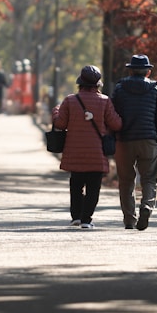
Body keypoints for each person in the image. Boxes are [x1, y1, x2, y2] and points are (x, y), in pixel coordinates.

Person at [51, 65, 122, 228]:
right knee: (93, 189)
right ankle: (86, 220)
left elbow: (60, 124)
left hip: (74, 153)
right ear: (98, 84)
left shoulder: (70, 100)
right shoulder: (105, 101)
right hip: (96, 154)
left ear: (80, 83)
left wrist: (55, 111)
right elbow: (117, 124)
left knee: (76, 186)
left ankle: (76, 216)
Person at [111, 54, 157, 230]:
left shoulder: (120, 89)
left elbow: (112, 115)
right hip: (149, 140)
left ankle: (129, 219)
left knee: (126, 181)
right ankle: (147, 206)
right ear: (148, 72)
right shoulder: (155, 90)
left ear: (130, 71)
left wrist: (114, 137)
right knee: (149, 179)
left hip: (124, 140)